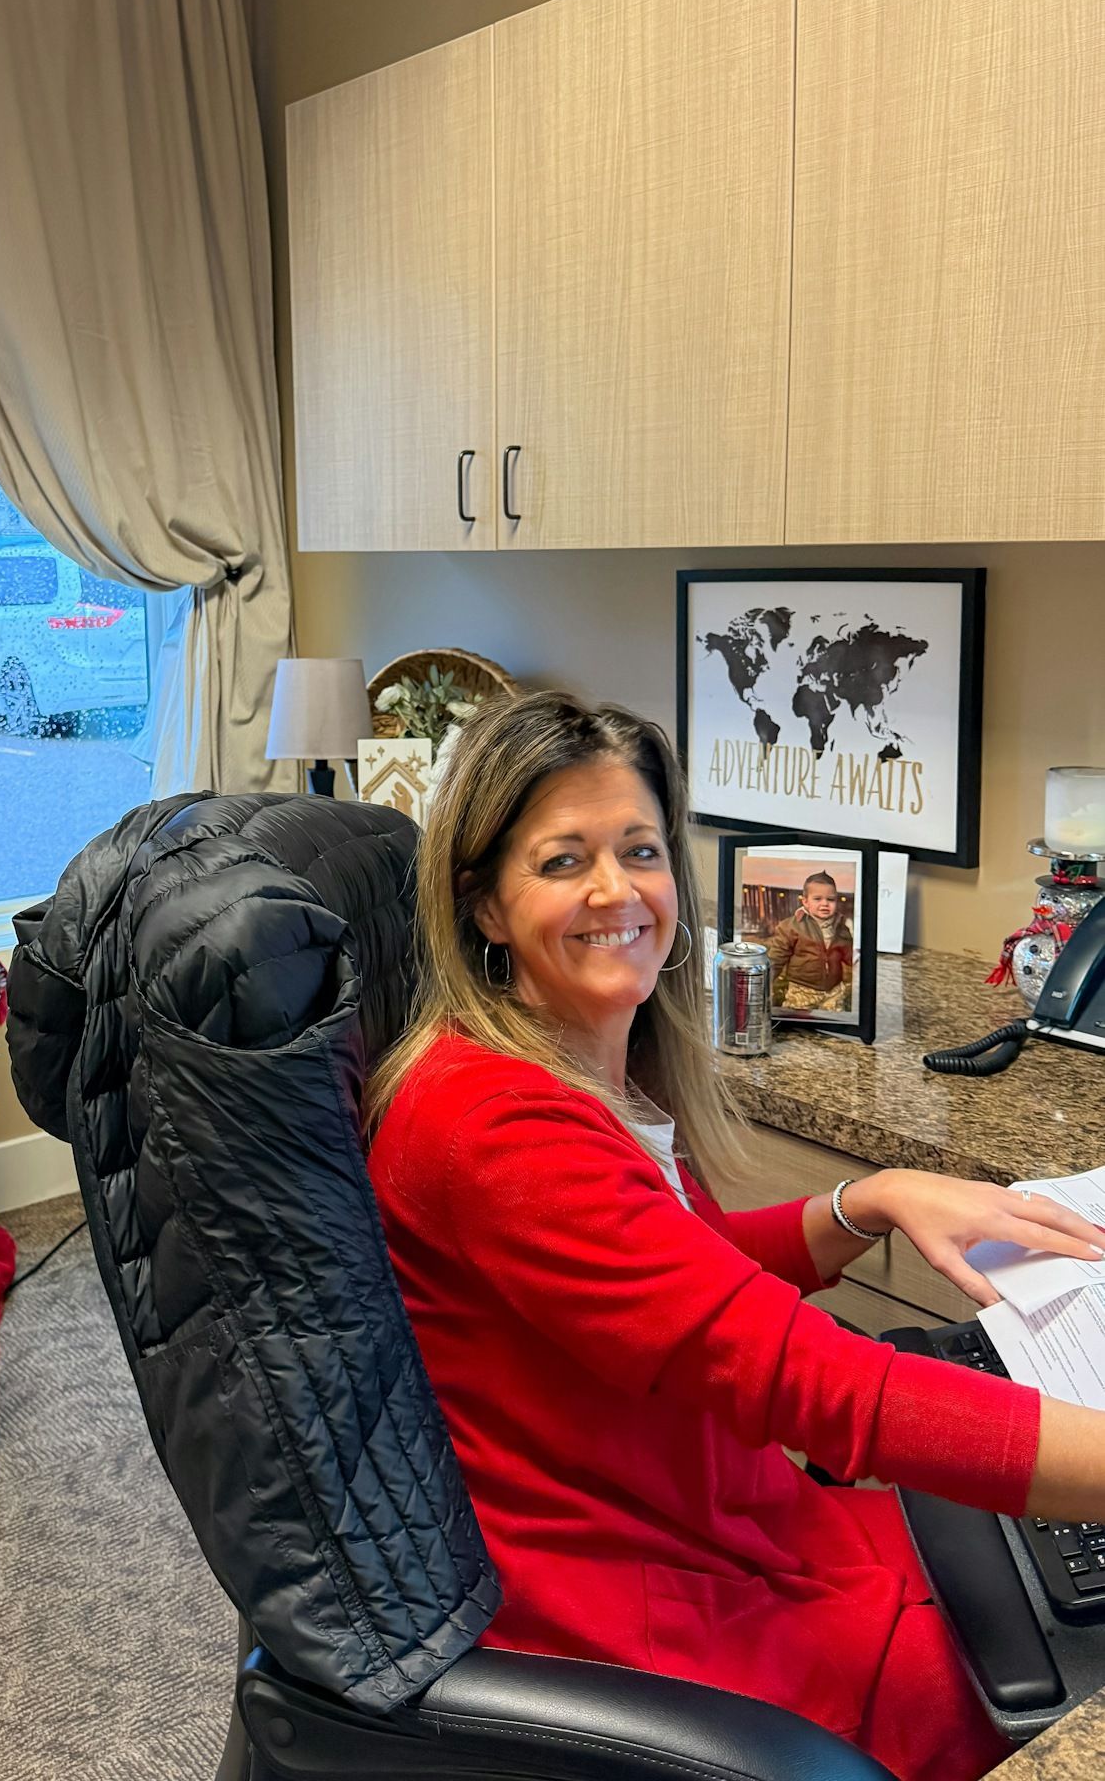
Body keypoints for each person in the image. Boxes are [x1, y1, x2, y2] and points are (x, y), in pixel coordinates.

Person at [365, 690, 1105, 1781]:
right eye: (564, 860)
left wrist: (872, 1198)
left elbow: (686, 1280)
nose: (618, 890)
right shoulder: (493, 1125)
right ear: (481, 904)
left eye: (640, 848)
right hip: (650, 1600)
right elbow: (819, 1386)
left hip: (726, 1520)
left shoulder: (576, 1069)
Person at [767, 868, 854, 1010]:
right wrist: (767, 980)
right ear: (806, 902)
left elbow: (849, 954)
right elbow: (777, 956)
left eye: (830, 899)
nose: (825, 904)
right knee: (798, 1021)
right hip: (802, 990)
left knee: (834, 1023)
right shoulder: (792, 926)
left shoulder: (840, 927)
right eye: (818, 899)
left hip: (834, 989)